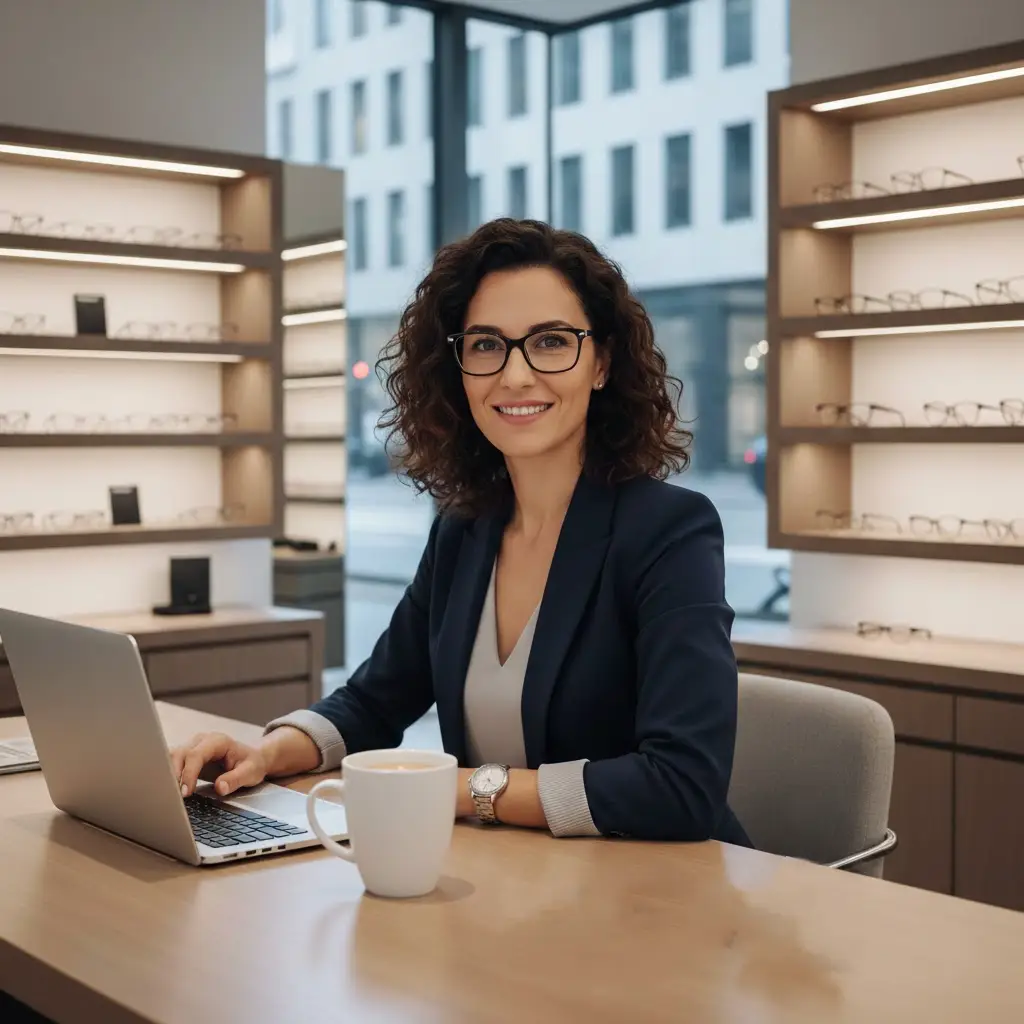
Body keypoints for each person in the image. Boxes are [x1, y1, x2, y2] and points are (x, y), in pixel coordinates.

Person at [172, 219, 751, 845]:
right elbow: (373, 701)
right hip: (510, 879)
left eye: (551, 342)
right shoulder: (464, 531)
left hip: (654, 886)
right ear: (459, 369)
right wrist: (265, 752)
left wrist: (461, 789)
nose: (516, 375)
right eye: (485, 345)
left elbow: (682, 785)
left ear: (602, 363)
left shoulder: (668, 531)